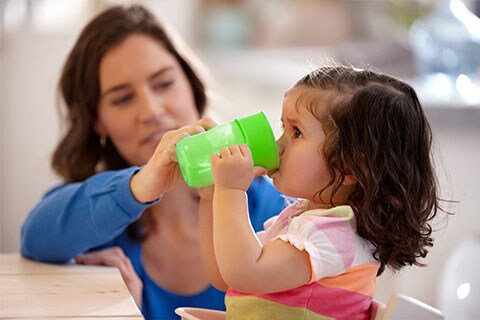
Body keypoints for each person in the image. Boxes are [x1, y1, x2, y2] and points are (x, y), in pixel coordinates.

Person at [20, 5, 286, 319]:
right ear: (98, 123)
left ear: (191, 86)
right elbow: (35, 238)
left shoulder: (267, 208)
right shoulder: (96, 218)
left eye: (164, 84)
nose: (152, 110)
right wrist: (140, 185)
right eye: (122, 99)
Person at [198, 65, 446, 319]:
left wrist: (231, 190)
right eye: (283, 128)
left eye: (296, 132)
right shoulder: (305, 221)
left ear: (348, 166)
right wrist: (211, 196)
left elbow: (244, 273)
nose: (278, 144)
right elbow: (225, 275)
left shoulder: (335, 234)